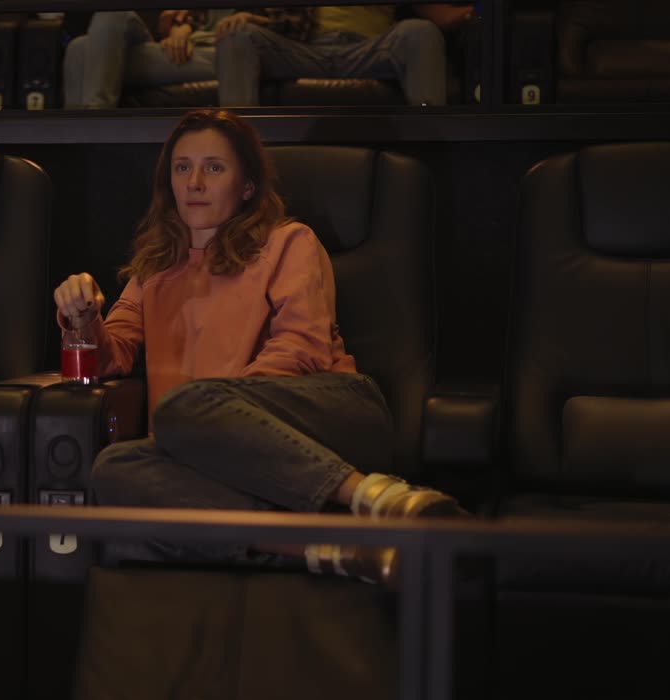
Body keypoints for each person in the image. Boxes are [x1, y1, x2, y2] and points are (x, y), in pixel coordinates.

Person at [52, 108, 465, 585]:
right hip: (213, 443)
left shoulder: (289, 242)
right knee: (113, 468)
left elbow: (301, 347)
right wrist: (82, 320)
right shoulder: (153, 270)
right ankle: (336, 549)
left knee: (186, 406)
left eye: (214, 167)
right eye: (182, 167)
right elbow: (110, 357)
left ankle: (385, 498)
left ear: (247, 186)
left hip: (330, 413)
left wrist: (216, 421)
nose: (195, 182)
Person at [214, 4, 476, 106]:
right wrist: (247, 16)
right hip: (306, 50)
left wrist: (483, 9)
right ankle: (237, 150)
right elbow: (278, 19)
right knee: (238, 34)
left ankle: (430, 140)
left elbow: (444, 16)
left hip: (369, 50)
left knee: (420, 31)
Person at [64, 9, 236, 109]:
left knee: (82, 49)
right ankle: (77, 136)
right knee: (83, 43)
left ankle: (96, 116)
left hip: (214, 51)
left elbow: (256, 26)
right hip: (164, 47)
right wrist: (181, 25)